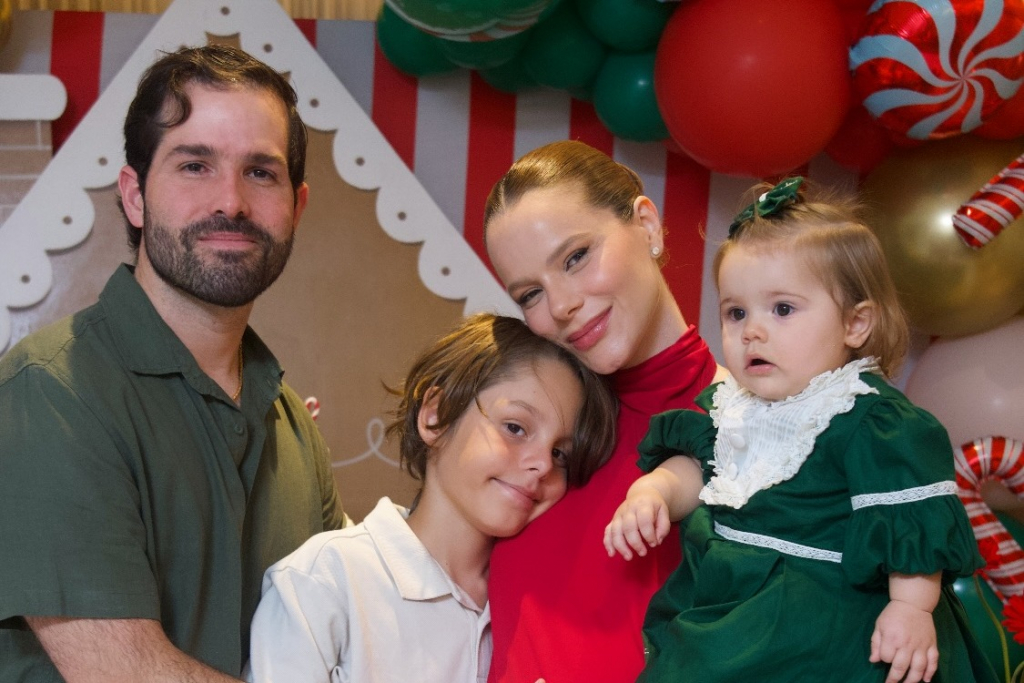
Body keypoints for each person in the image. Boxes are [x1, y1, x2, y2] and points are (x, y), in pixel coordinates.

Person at [0, 44, 346, 682]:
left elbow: (346, 638)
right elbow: (125, 674)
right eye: (195, 165)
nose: (232, 202)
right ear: (135, 197)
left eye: (260, 173)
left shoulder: (295, 427)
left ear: (296, 208)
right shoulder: (50, 392)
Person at [604, 177, 998, 683]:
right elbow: (703, 470)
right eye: (736, 312)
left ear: (855, 324)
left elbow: (910, 526)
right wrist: (654, 491)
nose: (752, 330)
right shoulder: (733, 405)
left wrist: (912, 608)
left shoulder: (867, 421)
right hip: (730, 609)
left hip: (827, 624)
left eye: (783, 309)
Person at [244, 313, 618, 682]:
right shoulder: (323, 581)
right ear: (436, 416)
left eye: (560, 454)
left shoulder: (538, 611)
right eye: (516, 428)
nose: (541, 464)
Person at [483, 140, 726, 682]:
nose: (562, 304)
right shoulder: (532, 443)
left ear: (647, 225)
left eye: (575, 257)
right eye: (529, 294)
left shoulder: (761, 431)